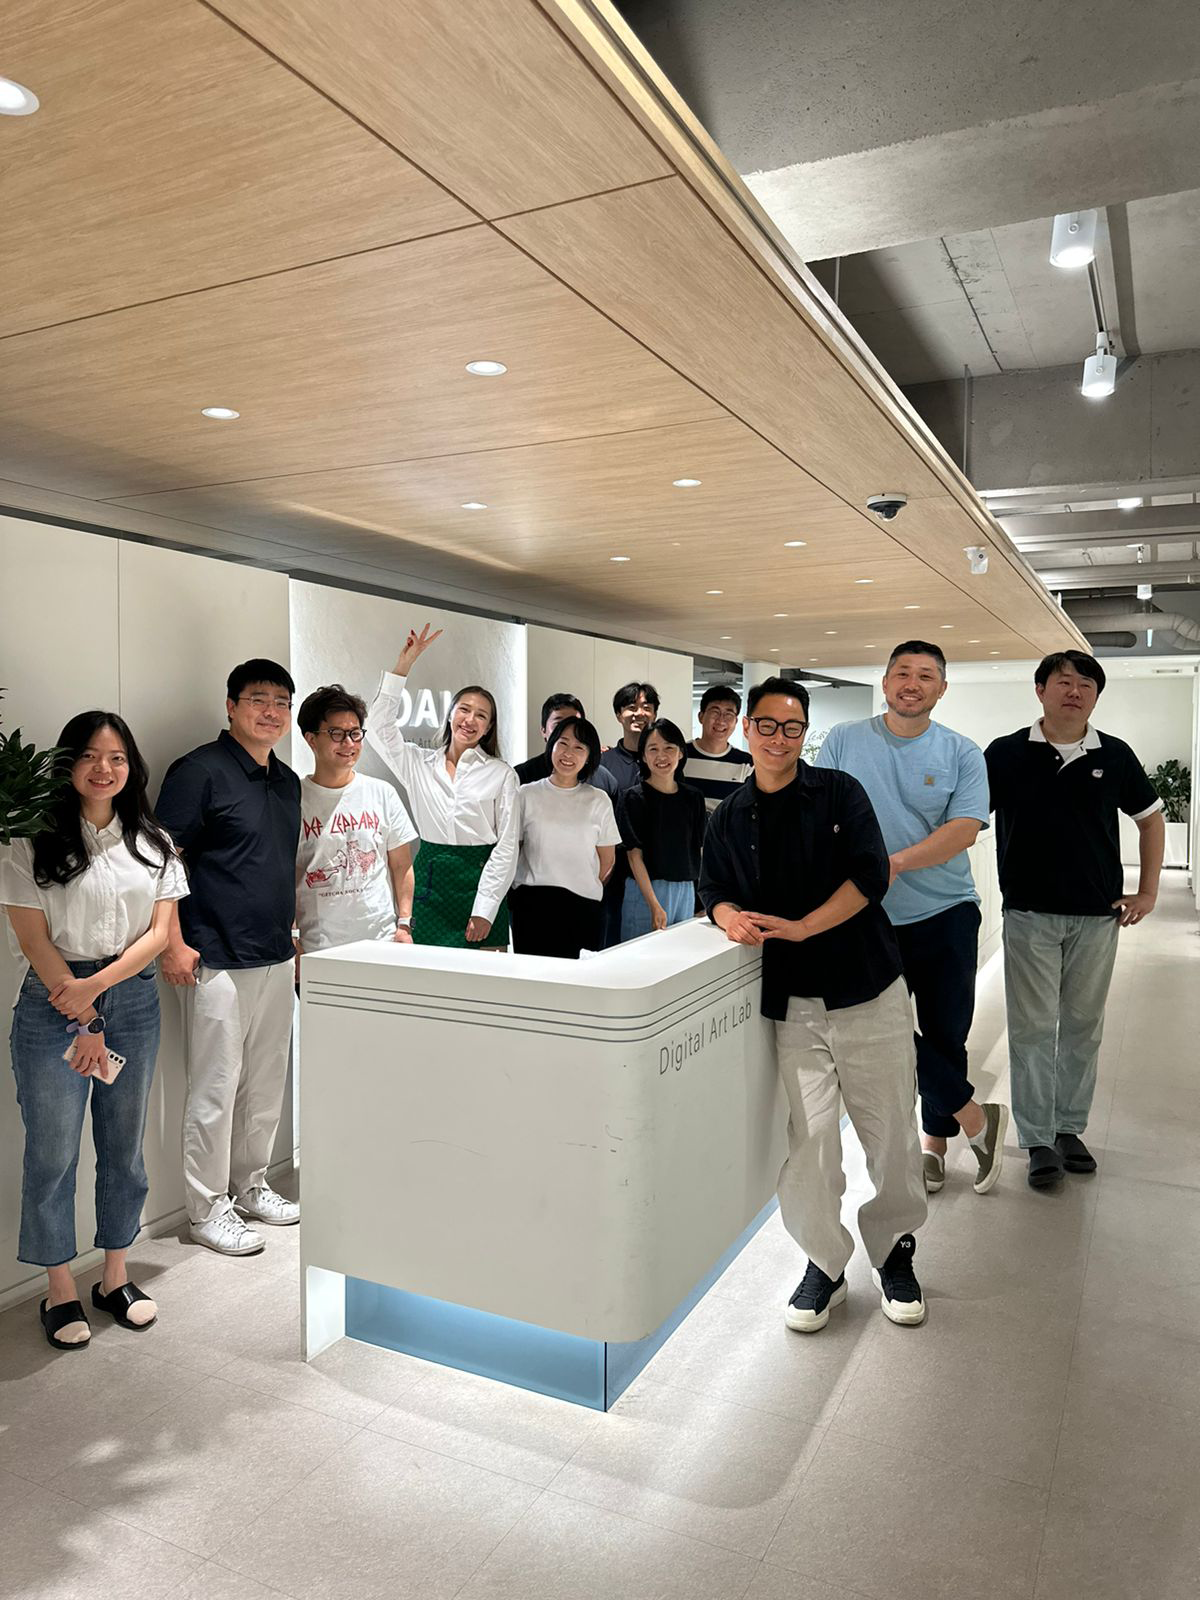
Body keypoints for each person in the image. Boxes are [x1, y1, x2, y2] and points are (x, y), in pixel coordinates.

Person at [700, 677, 928, 1332]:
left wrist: (803, 927)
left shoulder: (838, 792)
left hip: (868, 989)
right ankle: (824, 1262)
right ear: (748, 729)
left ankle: (894, 1250)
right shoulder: (730, 814)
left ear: (805, 733)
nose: (779, 739)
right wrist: (725, 915)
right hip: (794, 1003)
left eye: (792, 727)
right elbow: (712, 885)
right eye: (767, 726)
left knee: (891, 1136)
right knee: (812, 1143)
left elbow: (870, 874)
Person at [0, 712, 188, 1349]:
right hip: (52, 998)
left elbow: (159, 936)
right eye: (88, 756)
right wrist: (82, 1010)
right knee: (53, 1154)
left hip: (129, 997)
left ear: (131, 766)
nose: (103, 769)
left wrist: (96, 996)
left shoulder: (154, 841)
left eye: (116, 758)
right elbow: (33, 939)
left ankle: (114, 1276)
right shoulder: (29, 839)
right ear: (66, 764)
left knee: (124, 1147)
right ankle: (58, 1288)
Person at [818, 641, 1007, 1197]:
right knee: (886, 1032)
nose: (912, 683)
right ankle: (976, 1116)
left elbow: (964, 829)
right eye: (902, 672)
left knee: (946, 1034)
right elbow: (820, 813)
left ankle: (933, 1146)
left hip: (946, 911)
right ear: (885, 682)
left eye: (926, 676)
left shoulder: (961, 752)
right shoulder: (844, 740)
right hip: (864, 917)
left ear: (941, 689)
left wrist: (893, 863)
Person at [985, 651, 1164, 1189]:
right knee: (1033, 1029)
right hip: (1029, 913)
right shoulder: (1006, 753)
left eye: (1086, 684)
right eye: (1063, 681)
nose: (1075, 691)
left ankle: (1068, 1128)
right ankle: (1037, 1138)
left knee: (1083, 1027)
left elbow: (1151, 819)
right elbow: (968, 817)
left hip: (1097, 915)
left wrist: (1148, 891)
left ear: (1096, 696)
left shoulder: (1115, 754)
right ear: (1040, 690)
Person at [157, 659, 302, 1256]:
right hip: (213, 954)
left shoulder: (286, 780)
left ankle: (251, 1185)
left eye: (282, 702)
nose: (271, 711)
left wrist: (292, 938)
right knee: (215, 1089)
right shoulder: (198, 772)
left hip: (275, 953)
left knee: (266, 1084)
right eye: (258, 699)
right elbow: (160, 861)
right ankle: (206, 1208)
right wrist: (173, 942)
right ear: (231, 706)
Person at [367, 623, 518, 948]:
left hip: (480, 884)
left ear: (489, 727)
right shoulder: (418, 763)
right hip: (430, 884)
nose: (470, 720)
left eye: (481, 715)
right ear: (450, 714)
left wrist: (485, 909)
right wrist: (404, 664)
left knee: (483, 973)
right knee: (426, 974)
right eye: (464, 709)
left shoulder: (501, 774)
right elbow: (377, 727)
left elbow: (507, 847)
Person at [295, 684, 417, 957]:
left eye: (355, 733)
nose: (349, 743)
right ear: (311, 739)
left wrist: (404, 924)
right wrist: (292, 937)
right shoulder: (295, 799)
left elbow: (401, 864)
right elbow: (288, 875)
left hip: (381, 942)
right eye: (336, 734)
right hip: (318, 947)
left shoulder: (382, 793)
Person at [510, 716, 622, 958]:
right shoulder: (526, 794)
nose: (568, 753)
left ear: (589, 756)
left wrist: (579, 882)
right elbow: (513, 852)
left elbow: (607, 861)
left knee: (578, 978)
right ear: (551, 745)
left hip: (583, 907)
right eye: (563, 743)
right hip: (531, 905)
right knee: (533, 977)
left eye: (579, 747)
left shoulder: (598, 800)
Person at [618, 719, 706, 939]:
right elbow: (634, 856)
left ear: (680, 753)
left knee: (681, 955)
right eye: (653, 749)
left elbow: (701, 850)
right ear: (643, 755)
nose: (661, 756)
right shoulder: (632, 798)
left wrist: (704, 897)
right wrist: (654, 904)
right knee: (641, 956)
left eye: (669, 748)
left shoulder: (693, 797)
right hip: (645, 891)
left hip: (686, 890)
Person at [598, 682, 660, 946]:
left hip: (656, 867)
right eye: (631, 707)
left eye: (647, 707)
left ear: (655, 714)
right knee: (611, 939)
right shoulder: (603, 762)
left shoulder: (663, 760)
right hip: (614, 869)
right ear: (618, 714)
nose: (639, 713)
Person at [515, 693, 618, 800]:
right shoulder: (521, 776)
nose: (568, 731)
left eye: (574, 724)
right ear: (543, 731)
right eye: (559, 724)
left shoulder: (604, 780)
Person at [685, 685, 753, 814]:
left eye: (728, 714)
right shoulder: (680, 755)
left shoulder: (747, 764)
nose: (721, 720)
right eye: (715, 712)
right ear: (701, 716)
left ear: (736, 721)